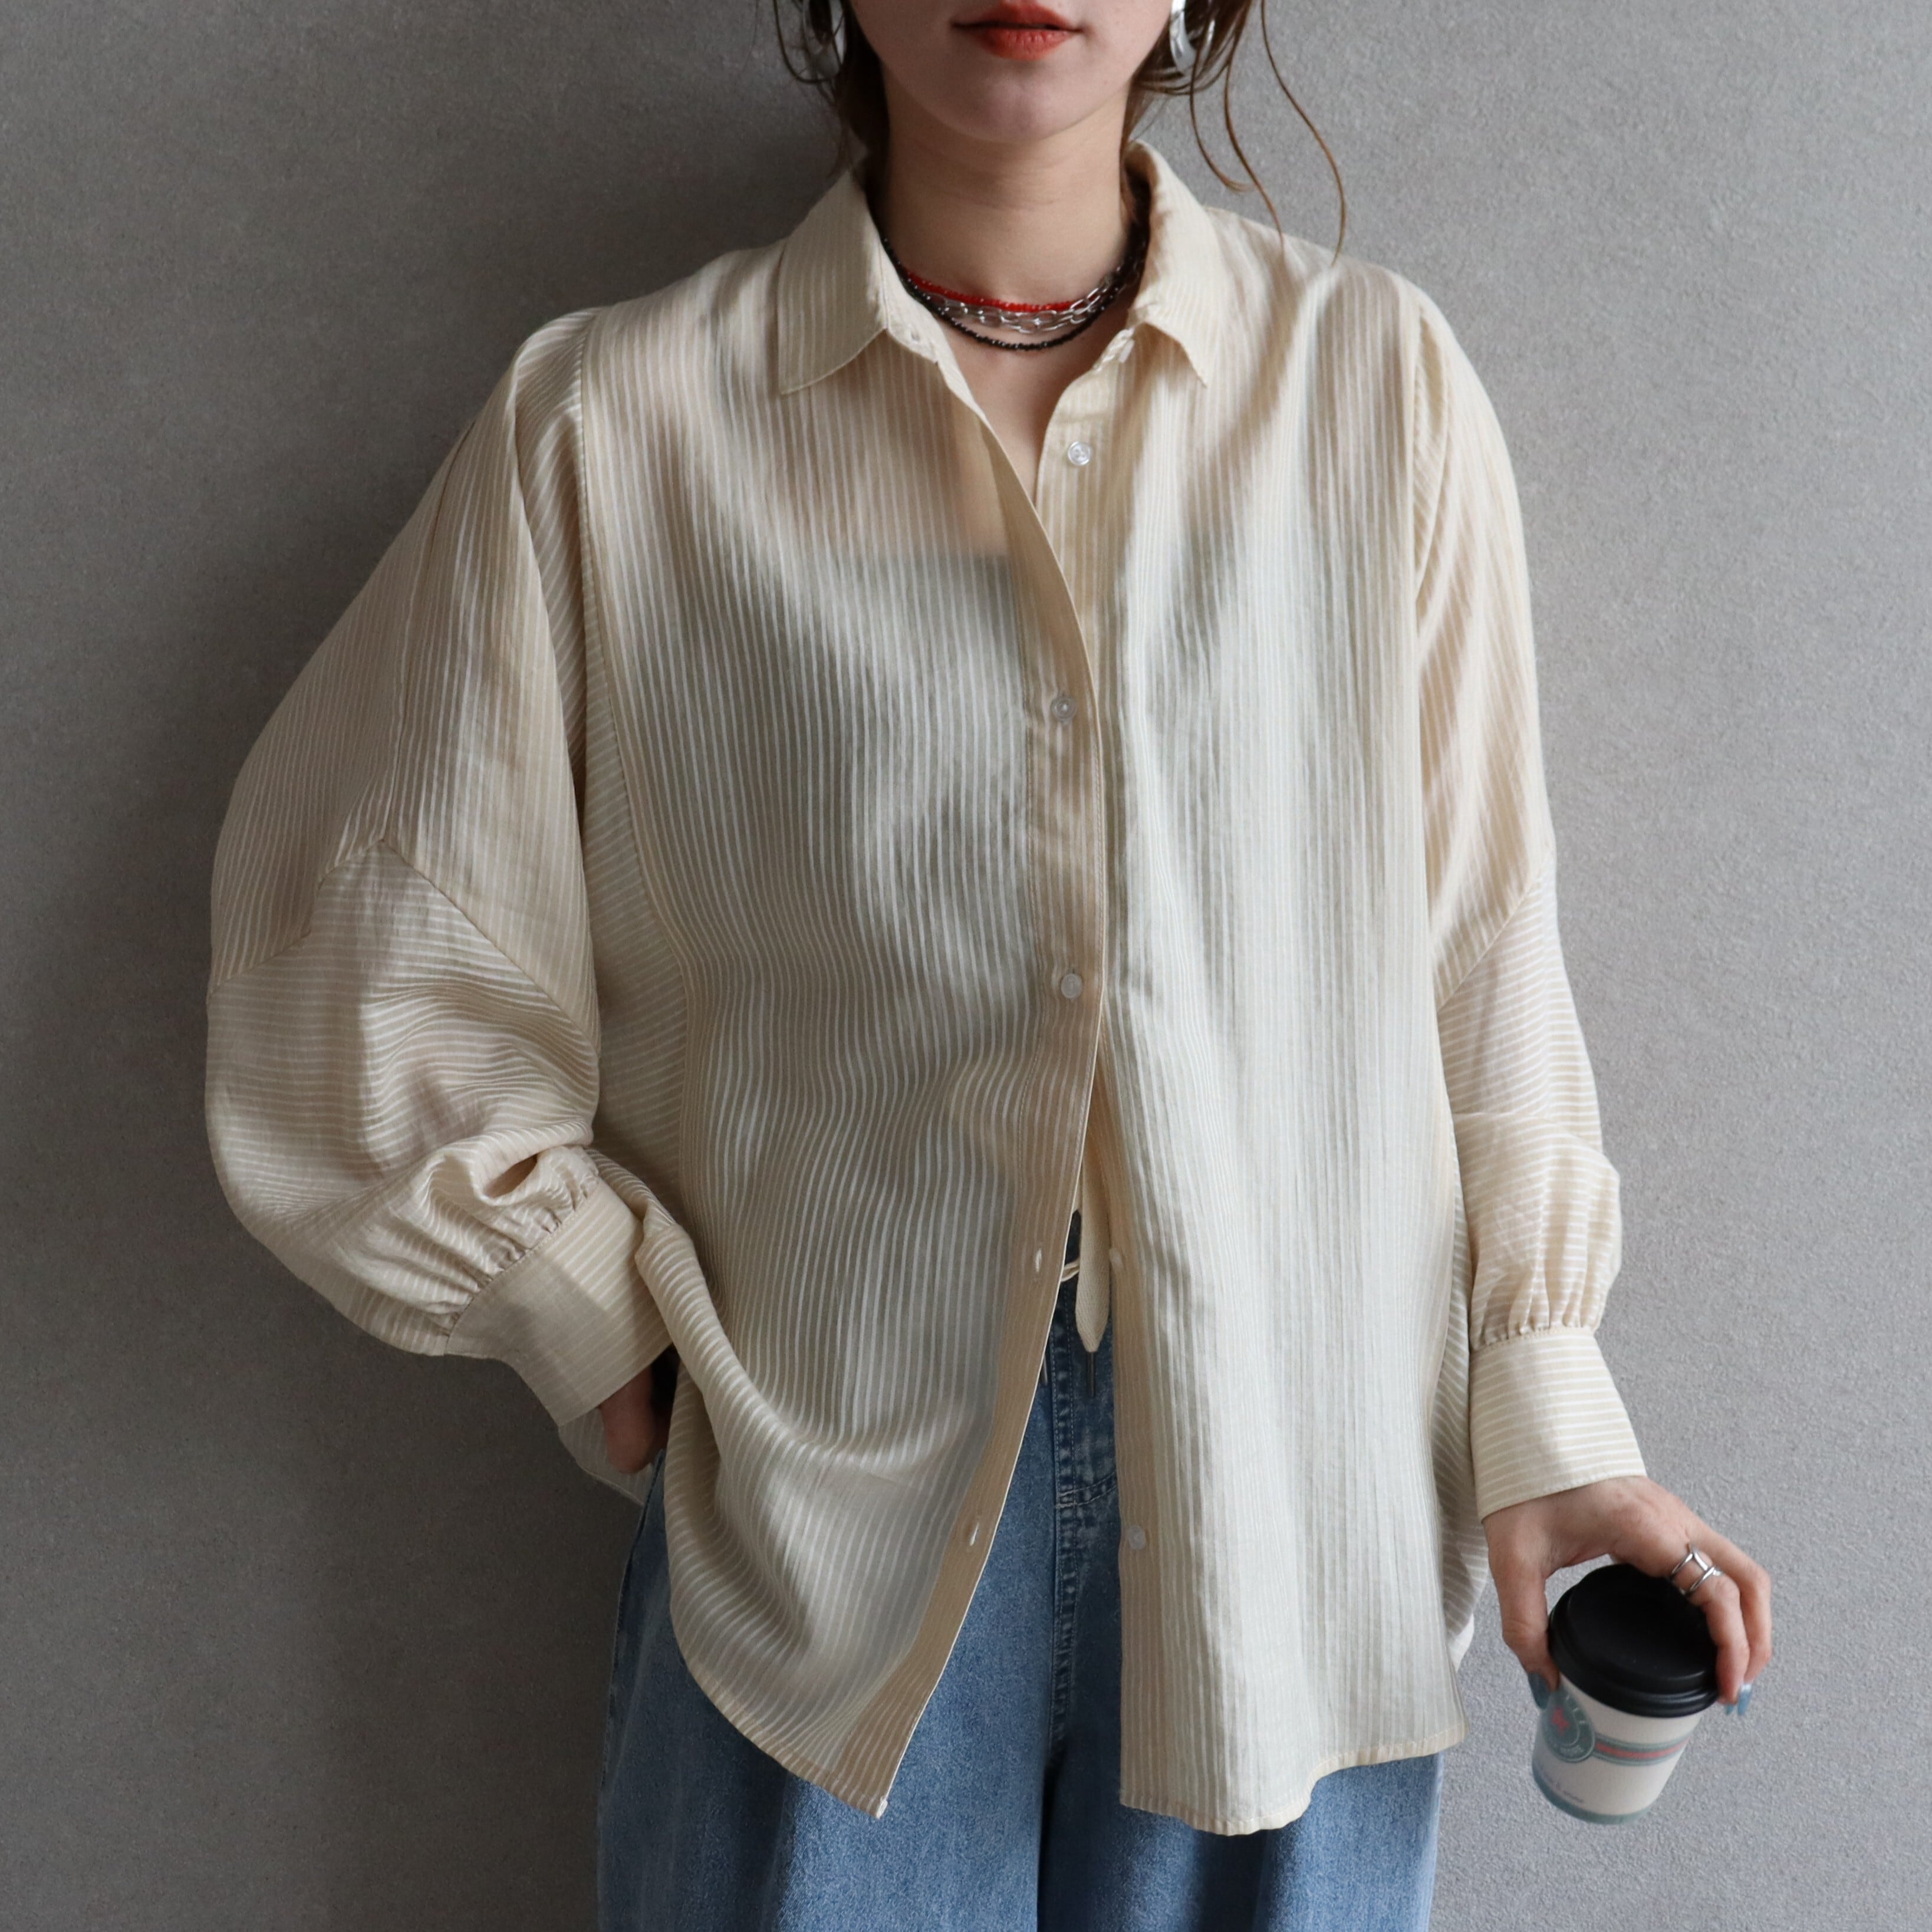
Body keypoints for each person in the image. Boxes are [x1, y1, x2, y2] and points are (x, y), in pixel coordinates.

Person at [205, 2, 1774, 1926]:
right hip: (815, 1517)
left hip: (1301, 1494)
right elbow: (369, 938)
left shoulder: (1373, 386)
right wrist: (576, 1307)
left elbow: (1478, 949)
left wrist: (1543, 1410)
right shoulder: (617, 423)